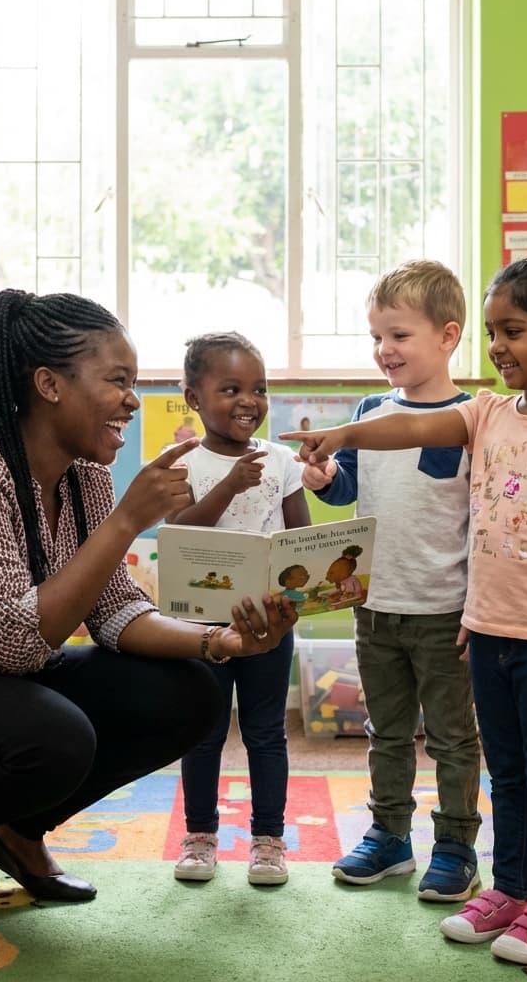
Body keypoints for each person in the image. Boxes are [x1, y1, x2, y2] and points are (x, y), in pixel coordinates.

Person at [0, 291, 298, 948]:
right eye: (118, 381)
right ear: (49, 385)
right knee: (57, 734)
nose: (132, 400)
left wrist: (218, 643)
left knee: (191, 692)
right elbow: (14, 642)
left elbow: (117, 611)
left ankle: (15, 828)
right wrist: (129, 520)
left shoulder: (85, 476)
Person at [281, 255, 527, 966]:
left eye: (514, 331)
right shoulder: (487, 412)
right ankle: (509, 888)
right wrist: (344, 437)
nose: (497, 345)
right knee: (506, 773)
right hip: (486, 626)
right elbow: (410, 431)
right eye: (494, 331)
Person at [300, 260, 481, 903]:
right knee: (387, 730)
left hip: (446, 612)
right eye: (377, 336)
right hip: (375, 607)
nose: (384, 350)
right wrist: (326, 483)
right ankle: (389, 836)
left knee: (455, 736)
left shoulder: (474, 418)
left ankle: (457, 844)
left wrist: (476, 609)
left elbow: (482, 523)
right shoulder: (370, 410)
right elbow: (350, 487)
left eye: (399, 335)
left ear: (447, 335)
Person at [167, 331, 311, 886]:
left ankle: (268, 841)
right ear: (194, 398)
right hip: (202, 627)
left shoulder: (281, 460)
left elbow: (301, 538)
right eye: (231, 388)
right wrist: (229, 485)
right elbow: (178, 535)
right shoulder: (182, 462)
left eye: (259, 388)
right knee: (202, 731)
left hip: (270, 629)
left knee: (266, 733)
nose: (249, 400)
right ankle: (200, 836)